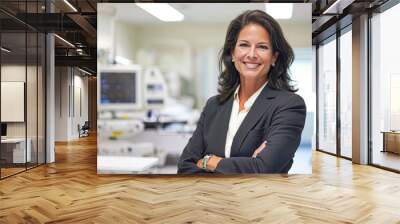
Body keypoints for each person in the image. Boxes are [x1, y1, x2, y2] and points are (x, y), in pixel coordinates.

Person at [177, 10, 306, 174]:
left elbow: (265, 168)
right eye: (244, 45)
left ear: (274, 57)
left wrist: (210, 162)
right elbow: (184, 166)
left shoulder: (289, 105)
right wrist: (248, 164)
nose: (251, 54)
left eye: (262, 47)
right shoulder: (213, 105)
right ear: (232, 53)